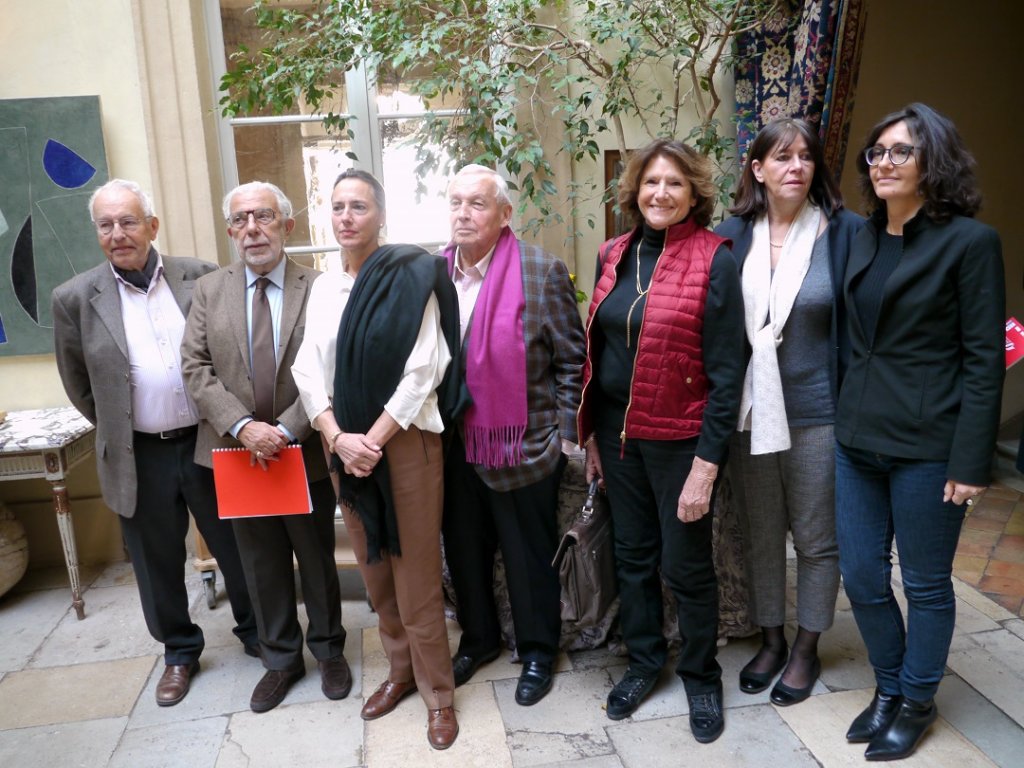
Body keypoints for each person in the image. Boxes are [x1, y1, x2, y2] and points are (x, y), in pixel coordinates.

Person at [836, 103, 1004, 761]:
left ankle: (917, 700)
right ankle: (886, 688)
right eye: (876, 153)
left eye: (899, 151)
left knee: (927, 584)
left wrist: (971, 460)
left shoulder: (969, 243)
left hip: (930, 445)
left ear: (932, 160)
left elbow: (983, 359)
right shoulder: (859, 236)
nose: (882, 162)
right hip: (857, 439)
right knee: (862, 576)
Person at [51, 179, 258, 707]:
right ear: (97, 232)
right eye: (106, 225)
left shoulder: (201, 276)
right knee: (155, 558)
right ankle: (180, 653)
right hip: (138, 452)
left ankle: (258, 632)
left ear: (152, 226)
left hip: (209, 441)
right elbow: (78, 383)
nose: (118, 234)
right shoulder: (74, 299)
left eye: (128, 221)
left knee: (239, 544)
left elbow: (229, 354)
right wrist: (124, 425)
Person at [577, 139, 744, 742]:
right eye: (651, 182)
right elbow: (598, 353)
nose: (661, 193)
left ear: (694, 192)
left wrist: (706, 466)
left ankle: (701, 675)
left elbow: (729, 375)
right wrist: (592, 435)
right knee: (633, 557)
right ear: (635, 190)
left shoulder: (714, 259)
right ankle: (646, 661)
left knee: (686, 566)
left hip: (680, 440)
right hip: (618, 439)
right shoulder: (613, 254)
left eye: (674, 183)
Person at [291, 169, 462, 750]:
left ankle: (439, 694)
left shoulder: (410, 275)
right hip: (344, 446)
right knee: (374, 569)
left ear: (379, 215)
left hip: (404, 443)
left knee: (415, 573)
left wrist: (374, 438)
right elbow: (307, 372)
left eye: (358, 206)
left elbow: (425, 368)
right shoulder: (323, 289)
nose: (346, 217)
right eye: (337, 207)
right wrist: (337, 437)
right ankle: (400, 673)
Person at [181, 181, 351, 714]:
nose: (251, 229)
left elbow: (332, 365)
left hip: (300, 447)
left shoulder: (320, 287)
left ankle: (329, 651)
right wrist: (241, 427)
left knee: (316, 554)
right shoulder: (209, 290)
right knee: (260, 562)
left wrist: (286, 429)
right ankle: (281, 660)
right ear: (231, 231)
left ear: (287, 224)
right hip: (236, 455)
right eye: (240, 220)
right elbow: (195, 368)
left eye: (263, 217)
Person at [715, 118, 862, 706]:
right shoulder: (731, 235)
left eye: (805, 157)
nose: (795, 167)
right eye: (781, 157)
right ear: (758, 170)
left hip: (819, 414)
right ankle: (771, 639)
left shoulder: (844, 234)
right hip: (750, 413)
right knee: (760, 533)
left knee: (817, 539)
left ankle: (806, 647)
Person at [441, 164, 585, 706]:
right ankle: (478, 640)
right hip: (452, 446)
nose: (463, 213)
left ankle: (539, 651)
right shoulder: (435, 272)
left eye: (477, 204)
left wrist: (563, 439)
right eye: (456, 202)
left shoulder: (540, 270)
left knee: (528, 558)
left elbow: (573, 361)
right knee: (464, 550)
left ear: (504, 215)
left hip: (523, 446)